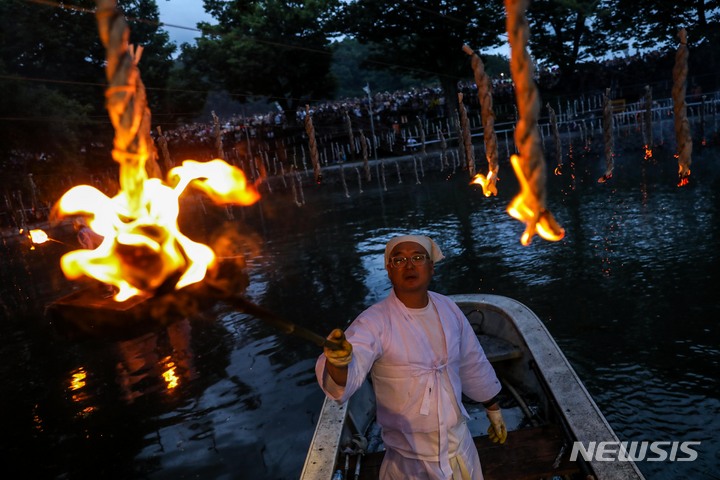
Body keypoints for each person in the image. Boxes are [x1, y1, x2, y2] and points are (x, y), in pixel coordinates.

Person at [316, 234, 507, 479]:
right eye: (399, 260)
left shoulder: (449, 309)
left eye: (417, 257)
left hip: (460, 448)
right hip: (408, 462)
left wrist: (492, 408)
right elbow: (352, 362)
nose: (409, 265)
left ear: (431, 267)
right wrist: (338, 362)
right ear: (389, 270)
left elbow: (472, 361)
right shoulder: (373, 322)